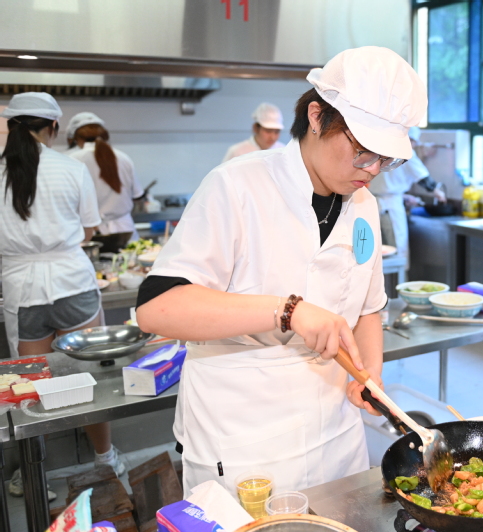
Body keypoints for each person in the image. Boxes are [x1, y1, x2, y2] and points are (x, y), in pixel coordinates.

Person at [135, 46, 426, 496]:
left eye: (387, 159)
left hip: (336, 435)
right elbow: (157, 308)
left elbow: (369, 308)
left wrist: (369, 373)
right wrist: (288, 311)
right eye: (364, 152)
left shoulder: (364, 205)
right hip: (244, 439)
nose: (373, 170)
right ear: (317, 117)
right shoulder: (237, 185)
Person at [0, 93, 125, 500]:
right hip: (72, 282)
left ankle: (29, 475)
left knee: (28, 384)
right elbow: (89, 229)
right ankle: (105, 460)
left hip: (22, 290)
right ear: (53, 127)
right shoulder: (71, 168)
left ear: (12, 127)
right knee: (91, 378)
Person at [368, 126, 445, 266]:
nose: (414, 145)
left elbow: (384, 183)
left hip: (373, 204)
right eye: (414, 142)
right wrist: (439, 193)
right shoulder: (405, 152)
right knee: (397, 248)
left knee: (378, 251)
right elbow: (422, 176)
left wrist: (403, 197)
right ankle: (398, 278)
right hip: (390, 208)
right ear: (410, 139)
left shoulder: (382, 148)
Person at [68, 112, 144, 240]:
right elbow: (137, 195)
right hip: (125, 231)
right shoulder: (123, 158)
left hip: (90, 232)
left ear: (77, 139)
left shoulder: (72, 159)